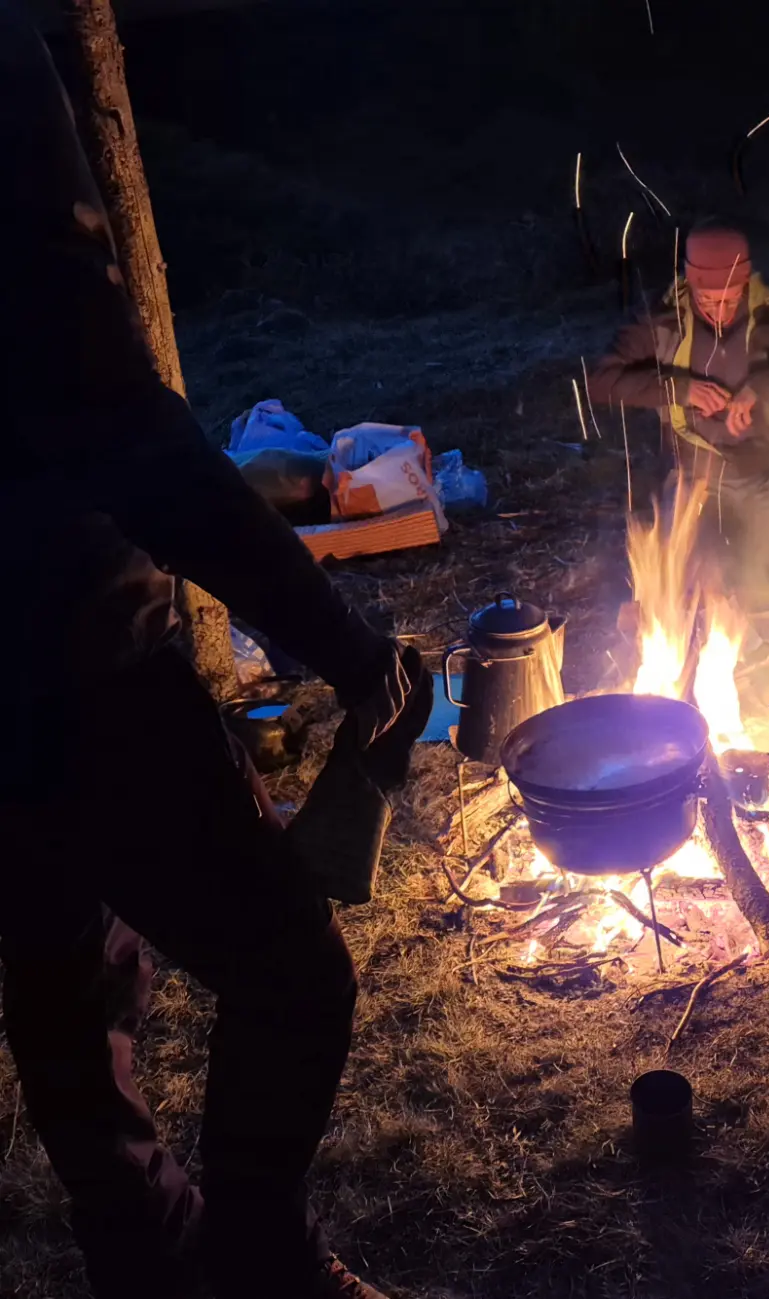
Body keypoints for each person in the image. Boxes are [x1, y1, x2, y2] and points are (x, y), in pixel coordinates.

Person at [1, 9, 420, 1297]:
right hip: (67, 661)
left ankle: (144, 1255)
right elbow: (115, 416)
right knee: (292, 973)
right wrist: (345, 645)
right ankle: (254, 1259)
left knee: (68, 980)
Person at [588, 221, 769, 512]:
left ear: (745, 282)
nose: (720, 313)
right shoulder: (662, 320)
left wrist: (763, 385)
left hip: (767, 472)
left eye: (730, 299)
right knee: (693, 554)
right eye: (708, 301)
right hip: (695, 476)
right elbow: (599, 381)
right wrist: (680, 390)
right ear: (690, 284)